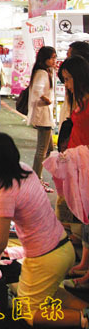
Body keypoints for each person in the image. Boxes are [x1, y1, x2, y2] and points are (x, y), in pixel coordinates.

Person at [0, 132, 89, 329]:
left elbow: (0, 244)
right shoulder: (24, 169)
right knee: (49, 293)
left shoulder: (5, 192)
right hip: (63, 248)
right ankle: (85, 309)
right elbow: (14, 203)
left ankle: (82, 321)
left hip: (46, 259)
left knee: (27, 311)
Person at [58, 56, 89, 283]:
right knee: (86, 216)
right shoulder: (79, 99)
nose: (66, 85)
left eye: (68, 79)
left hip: (86, 163)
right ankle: (85, 262)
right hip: (77, 162)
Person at [27, 46, 56, 190]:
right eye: (52, 58)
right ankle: (36, 179)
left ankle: (37, 177)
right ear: (45, 58)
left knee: (48, 148)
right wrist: (47, 100)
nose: (54, 60)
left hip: (45, 115)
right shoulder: (42, 72)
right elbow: (38, 90)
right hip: (43, 115)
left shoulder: (45, 72)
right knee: (42, 150)